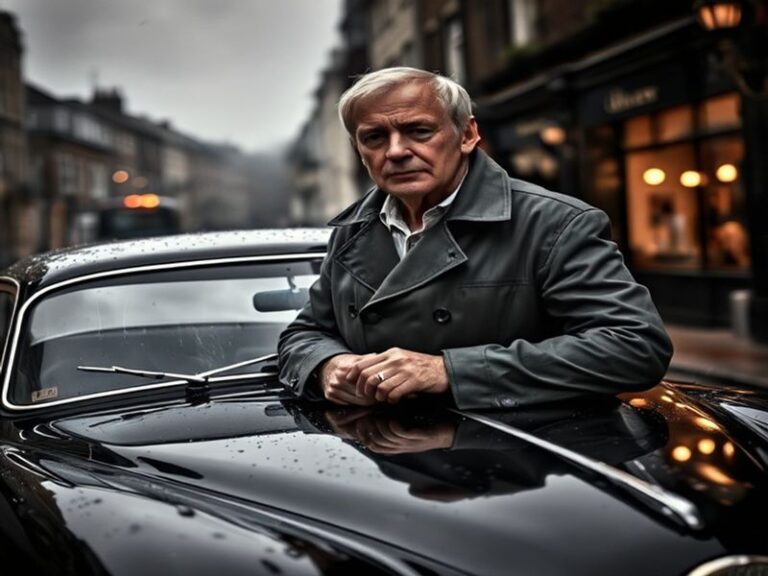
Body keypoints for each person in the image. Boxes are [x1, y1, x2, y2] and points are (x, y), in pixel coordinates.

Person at [278, 67, 672, 410]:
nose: (396, 151)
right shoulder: (353, 230)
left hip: (522, 463)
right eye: (375, 138)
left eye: (419, 131)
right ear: (358, 150)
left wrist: (448, 370)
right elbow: (305, 333)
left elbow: (633, 346)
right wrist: (327, 366)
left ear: (467, 135)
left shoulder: (554, 223)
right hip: (381, 462)